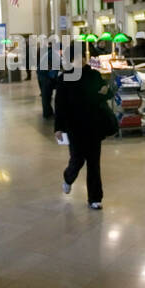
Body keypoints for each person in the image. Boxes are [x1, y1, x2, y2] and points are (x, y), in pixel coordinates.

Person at [54, 44, 116, 209]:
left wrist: (105, 91)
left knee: (94, 163)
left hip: (94, 124)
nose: (81, 60)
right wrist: (58, 128)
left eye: (82, 56)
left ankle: (95, 198)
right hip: (74, 126)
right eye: (76, 56)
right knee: (77, 160)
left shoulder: (94, 75)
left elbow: (106, 93)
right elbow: (59, 104)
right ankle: (68, 177)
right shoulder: (64, 78)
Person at [35, 35, 61, 119]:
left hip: (42, 74)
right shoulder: (54, 54)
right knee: (46, 95)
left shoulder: (51, 52)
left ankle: (48, 112)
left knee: (46, 95)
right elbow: (55, 67)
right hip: (44, 76)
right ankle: (47, 113)